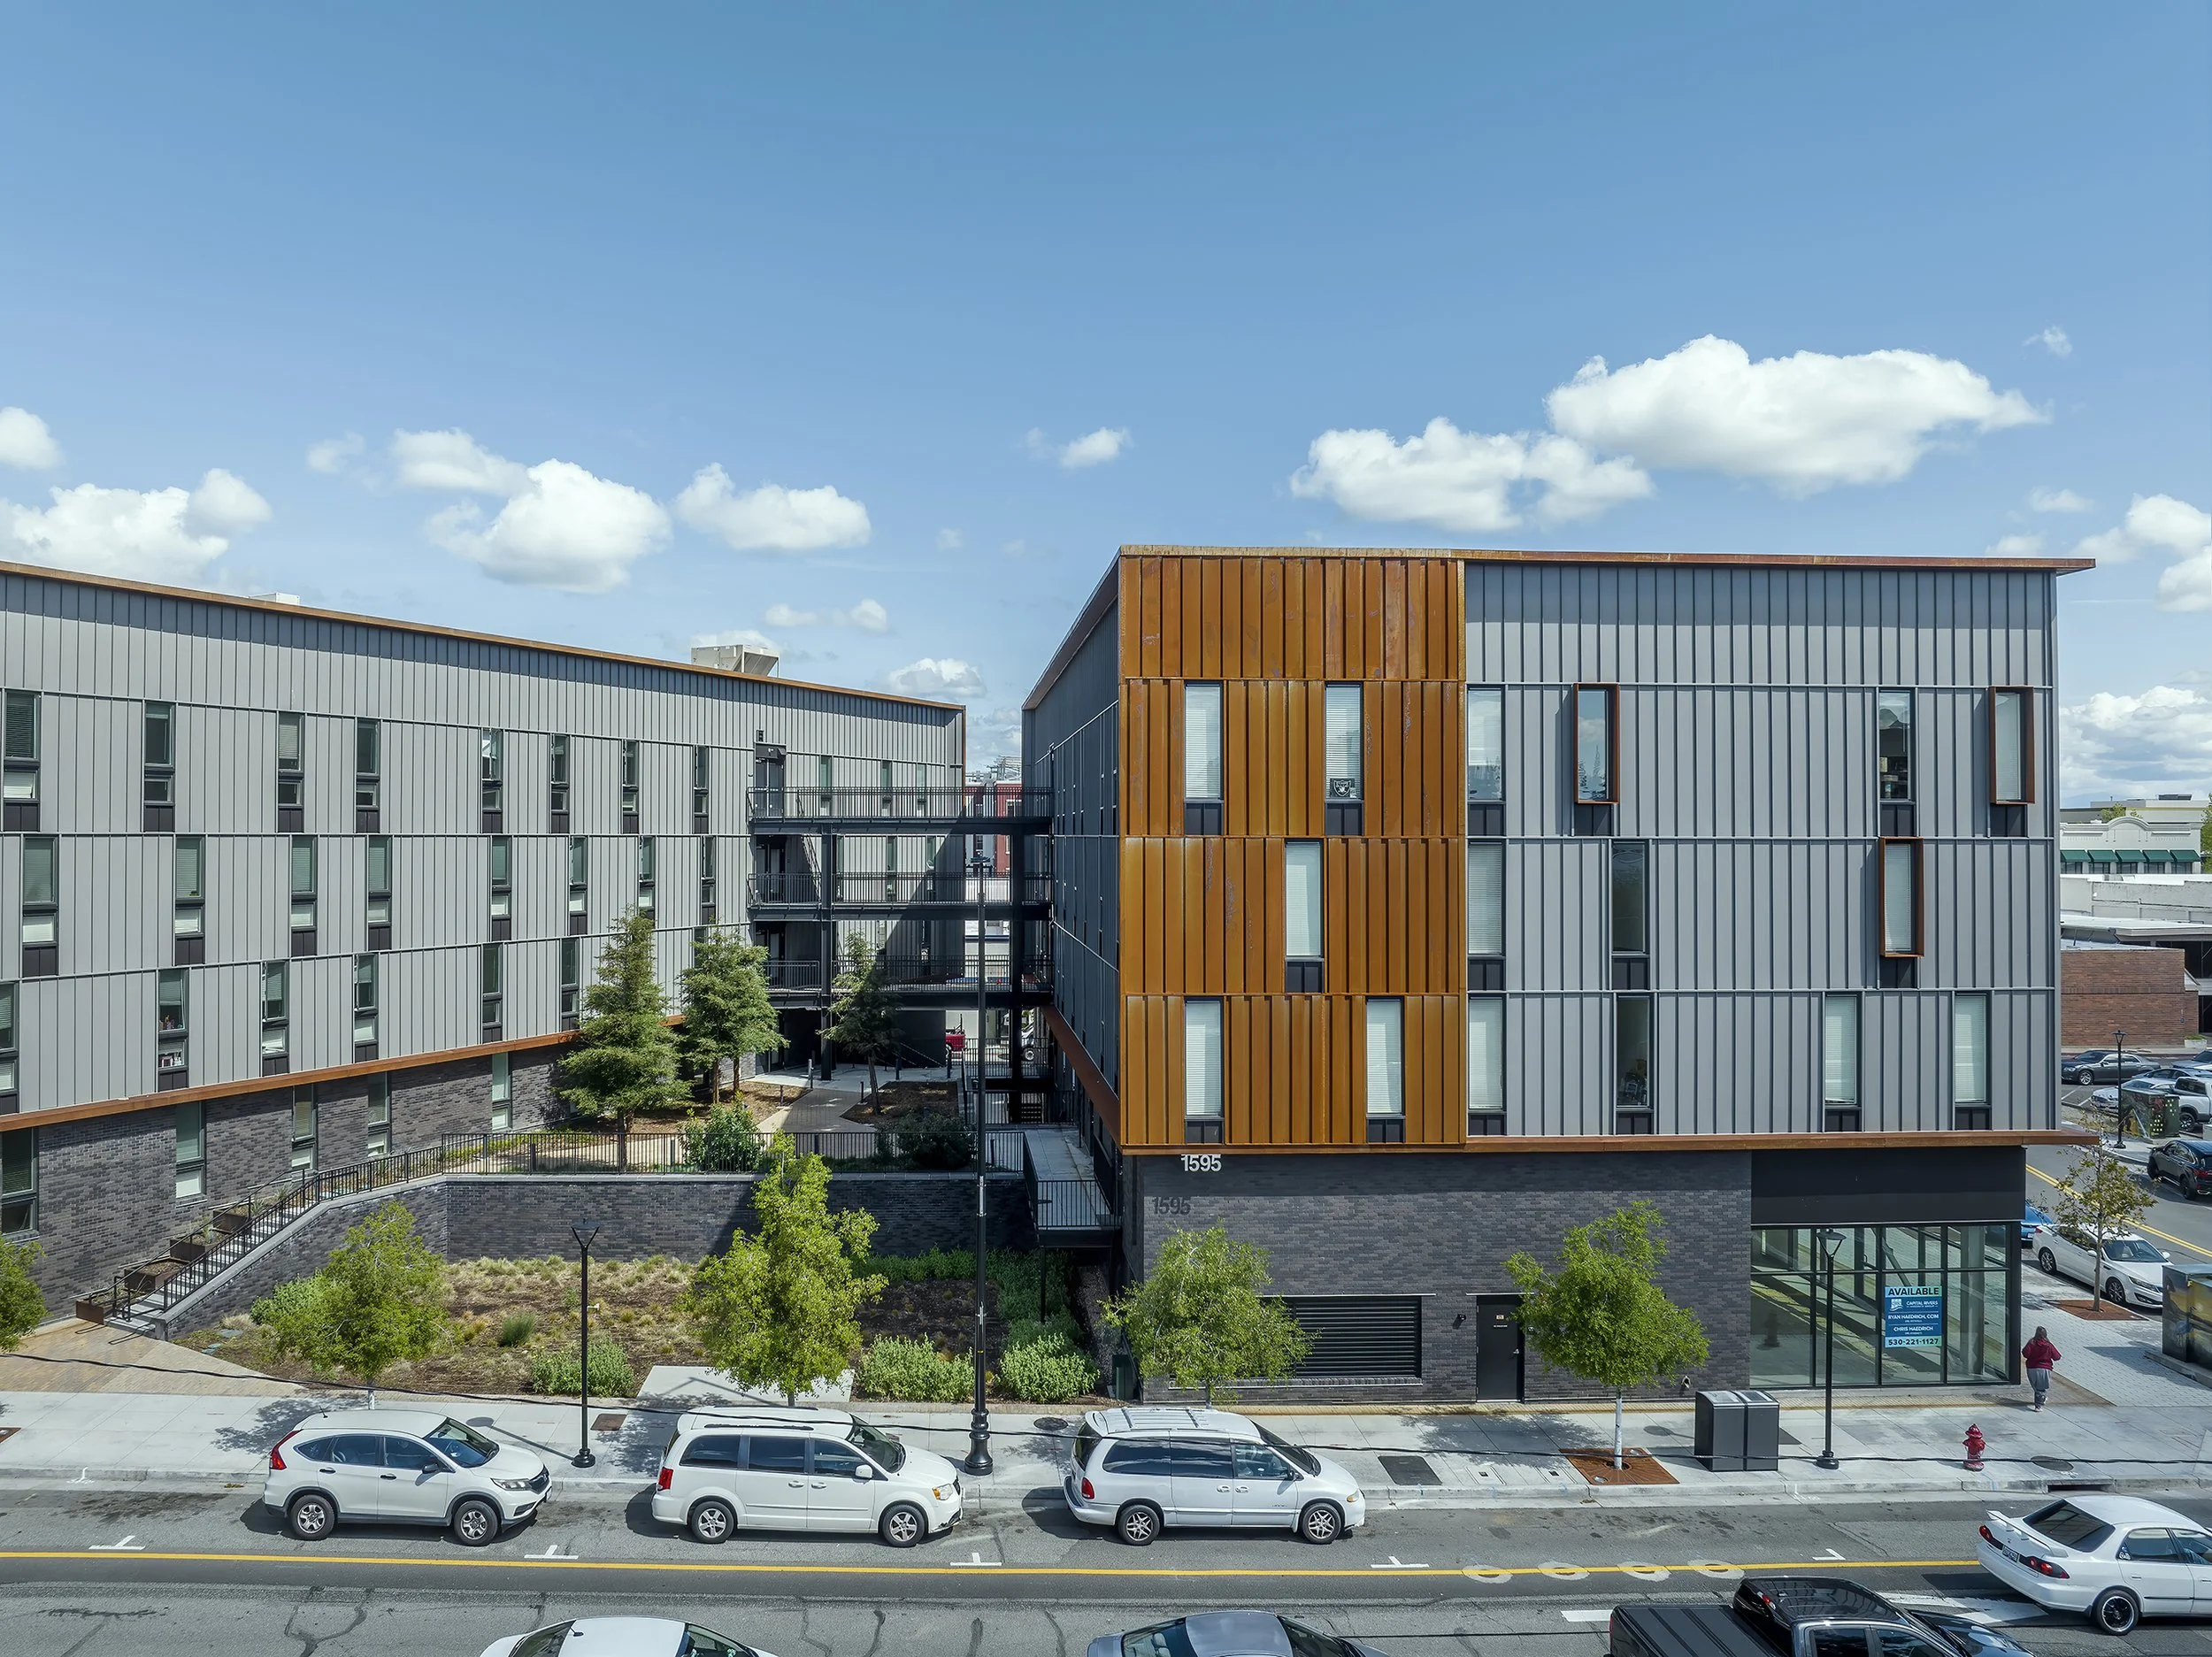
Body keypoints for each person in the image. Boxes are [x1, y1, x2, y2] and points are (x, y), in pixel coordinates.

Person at [2022, 1327, 2062, 1410]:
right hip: (2045, 1368)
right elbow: (2057, 1357)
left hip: (2032, 1368)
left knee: (2036, 1387)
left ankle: (2041, 1398)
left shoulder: (2031, 1343)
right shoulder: (2049, 1345)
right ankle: (2038, 1405)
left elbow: (2025, 1353)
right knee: (2041, 1388)